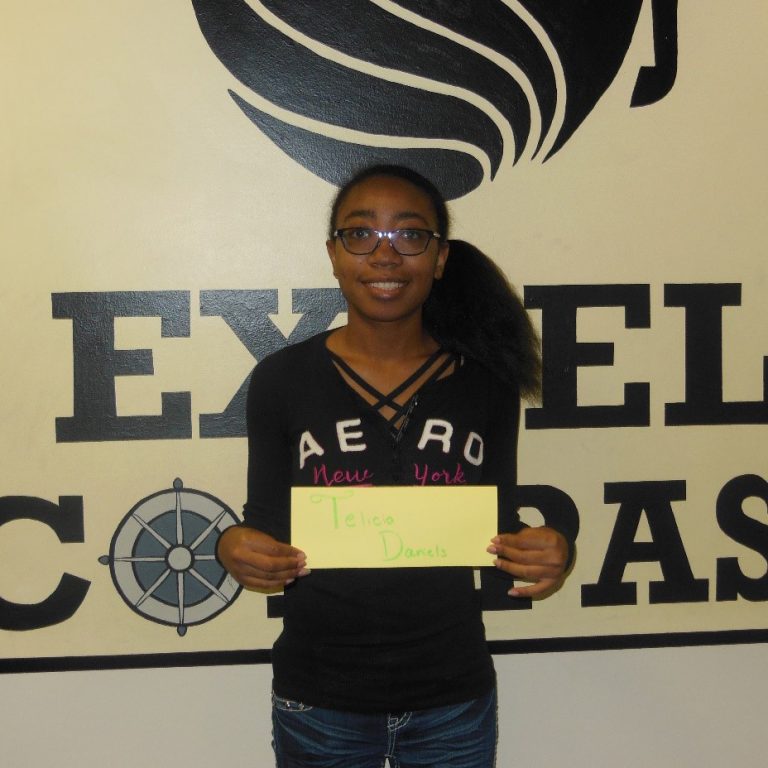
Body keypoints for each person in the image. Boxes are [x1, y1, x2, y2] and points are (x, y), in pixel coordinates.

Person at [217, 164, 573, 767]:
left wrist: (548, 551)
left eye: (410, 235)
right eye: (361, 234)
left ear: (439, 257)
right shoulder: (282, 378)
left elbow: (497, 524)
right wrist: (232, 547)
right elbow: (266, 524)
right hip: (319, 697)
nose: (385, 255)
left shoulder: (486, 382)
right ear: (333, 254)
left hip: (452, 698)